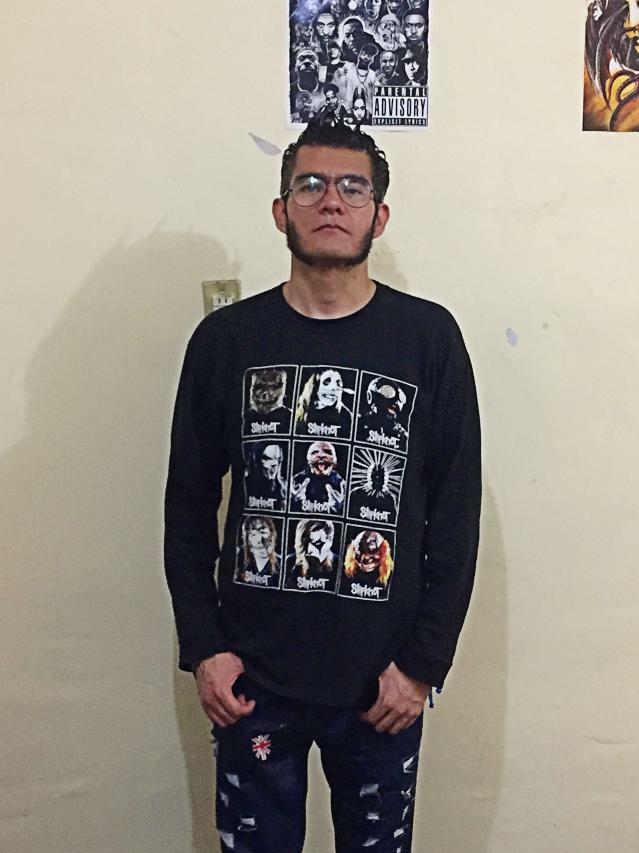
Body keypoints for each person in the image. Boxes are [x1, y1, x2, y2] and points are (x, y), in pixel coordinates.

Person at [165, 118, 481, 853]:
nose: (330, 200)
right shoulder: (226, 342)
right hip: (250, 680)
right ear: (281, 211)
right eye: (309, 185)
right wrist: (204, 646)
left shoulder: (428, 340)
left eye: (351, 187)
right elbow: (187, 503)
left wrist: (422, 666)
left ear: (379, 215)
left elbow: (454, 514)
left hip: (381, 684)